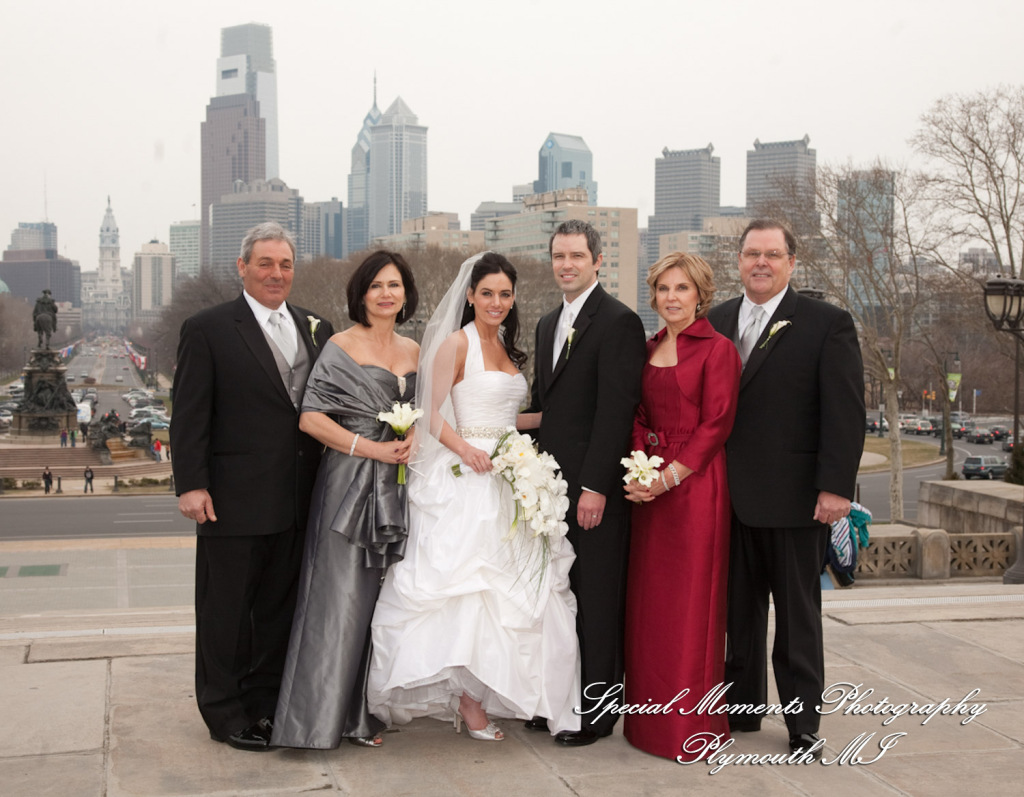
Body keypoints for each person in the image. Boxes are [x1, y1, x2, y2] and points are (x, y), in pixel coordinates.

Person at [368, 252, 580, 742]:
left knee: (518, 594)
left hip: (512, 474)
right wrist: (466, 449)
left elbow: (509, 417)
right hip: (465, 475)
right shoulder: (455, 345)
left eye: (505, 294)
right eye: (487, 293)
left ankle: (495, 692)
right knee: (467, 593)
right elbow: (430, 412)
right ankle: (467, 699)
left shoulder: (507, 345)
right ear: (469, 295)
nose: (497, 302)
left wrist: (560, 418)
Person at [170, 222, 334, 752]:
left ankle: (266, 706)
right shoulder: (209, 328)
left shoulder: (317, 326)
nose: (276, 274)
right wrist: (192, 484)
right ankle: (224, 712)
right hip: (231, 500)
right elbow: (189, 414)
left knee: (278, 612)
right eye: (265, 263)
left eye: (285, 264)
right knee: (225, 613)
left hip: (298, 499)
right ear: (242, 267)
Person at [707, 220, 864, 758]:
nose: (761, 262)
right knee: (738, 615)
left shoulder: (827, 323)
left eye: (773, 254)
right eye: (752, 253)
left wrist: (835, 488)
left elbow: (845, 414)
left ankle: (802, 725)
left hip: (797, 499)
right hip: (726, 498)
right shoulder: (717, 320)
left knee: (797, 619)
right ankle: (742, 710)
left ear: (792, 263)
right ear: (739, 259)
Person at [272, 251, 419, 750]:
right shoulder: (339, 345)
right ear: (360, 294)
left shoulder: (417, 350)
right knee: (338, 598)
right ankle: (319, 720)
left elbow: (431, 412)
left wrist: (414, 440)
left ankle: (363, 712)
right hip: (349, 481)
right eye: (376, 285)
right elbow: (311, 418)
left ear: (406, 293)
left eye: (394, 285)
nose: (385, 294)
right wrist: (372, 447)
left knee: (383, 601)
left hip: (400, 486)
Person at [527, 220, 646, 746]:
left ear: (598, 261)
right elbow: (545, 406)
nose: (567, 265)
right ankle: (555, 699)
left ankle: (598, 715)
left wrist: (596, 486)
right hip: (548, 490)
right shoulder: (547, 323)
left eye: (577, 255)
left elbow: (616, 412)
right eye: (559, 256)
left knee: (597, 602)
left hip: (593, 492)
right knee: (557, 597)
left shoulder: (619, 322)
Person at [621, 253, 740, 760]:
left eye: (682, 289)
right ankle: (645, 727)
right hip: (650, 492)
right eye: (664, 289)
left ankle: (687, 730)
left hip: (696, 489)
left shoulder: (719, 351)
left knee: (691, 608)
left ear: (700, 295)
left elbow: (717, 426)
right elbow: (639, 415)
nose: (672, 297)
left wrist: (668, 477)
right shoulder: (647, 348)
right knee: (650, 609)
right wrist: (640, 473)